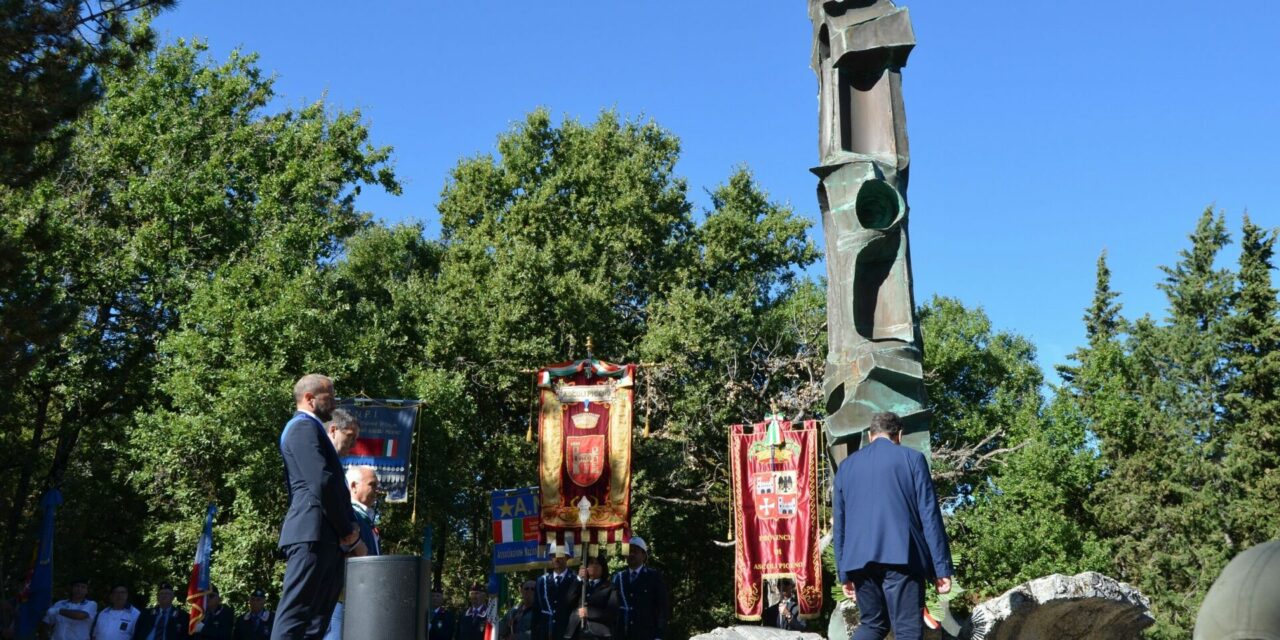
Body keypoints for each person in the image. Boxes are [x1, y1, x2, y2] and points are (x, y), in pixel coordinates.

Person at [832, 412, 954, 640]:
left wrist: (844, 572)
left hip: (858, 560)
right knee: (907, 629)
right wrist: (941, 568)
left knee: (873, 624)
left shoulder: (846, 467)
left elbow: (840, 524)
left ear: (870, 435)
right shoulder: (912, 459)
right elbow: (929, 515)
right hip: (902, 556)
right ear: (899, 435)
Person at [273, 374, 365, 640]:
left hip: (328, 538)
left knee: (316, 621)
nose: (335, 402)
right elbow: (321, 482)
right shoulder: (302, 427)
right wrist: (348, 530)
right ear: (310, 399)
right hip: (311, 534)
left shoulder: (313, 429)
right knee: (295, 615)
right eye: (330, 396)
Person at [323, 465, 380, 640]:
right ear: (354, 486)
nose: (377, 491)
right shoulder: (347, 515)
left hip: (359, 603)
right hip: (341, 602)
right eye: (372, 485)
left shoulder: (365, 519)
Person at [610, 538, 667, 640]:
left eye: (635, 551)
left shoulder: (653, 576)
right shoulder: (618, 577)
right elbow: (612, 605)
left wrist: (659, 635)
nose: (631, 554)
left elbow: (662, 607)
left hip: (646, 634)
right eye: (629, 551)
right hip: (622, 633)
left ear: (644, 555)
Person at [565, 554, 617, 640]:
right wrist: (579, 579)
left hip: (597, 634)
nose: (593, 566)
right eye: (591, 563)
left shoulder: (610, 587)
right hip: (576, 632)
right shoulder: (580, 585)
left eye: (597, 563)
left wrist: (589, 612)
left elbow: (612, 614)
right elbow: (568, 601)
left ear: (603, 568)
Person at [534, 544, 580, 640]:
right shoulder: (542, 581)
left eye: (560, 555)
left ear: (567, 557)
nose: (556, 559)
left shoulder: (575, 580)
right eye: (553, 555)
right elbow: (536, 612)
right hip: (545, 634)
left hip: (567, 634)